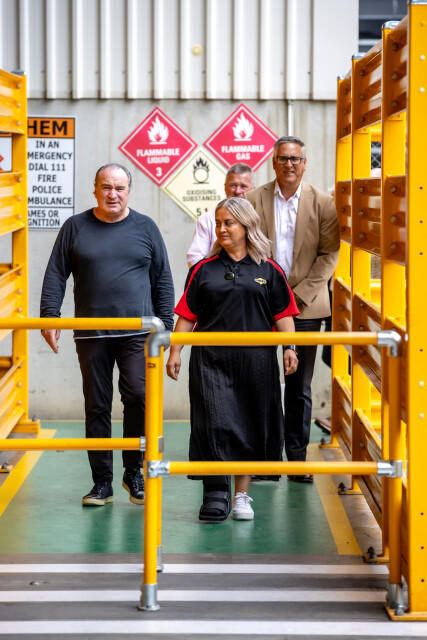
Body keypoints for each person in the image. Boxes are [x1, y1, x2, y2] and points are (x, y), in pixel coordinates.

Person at [40, 163, 174, 506]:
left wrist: (166, 328)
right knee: (97, 405)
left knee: (139, 397)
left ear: (129, 191)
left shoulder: (146, 227)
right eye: (106, 187)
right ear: (95, 190)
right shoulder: (75, 227)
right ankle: (102, 482)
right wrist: (49, 317)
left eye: (119, 188)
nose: (112, 194)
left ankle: (133, 471)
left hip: (137, 333)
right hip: (92, 333)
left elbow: (162, 279)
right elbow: (56, 273)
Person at [167, 197, 299, 522]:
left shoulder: (269, 269)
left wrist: (290, 347)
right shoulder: (203, 269)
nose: (221, 229)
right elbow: (188, 313)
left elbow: (283, 314)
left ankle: (241, 495)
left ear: (246, 226)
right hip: (211, 360)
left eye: (229, 223)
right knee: (214, 422)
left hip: (257, 361)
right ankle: (215, 493)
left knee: (250, 424)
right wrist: (175, 350)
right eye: (218, 223)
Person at [246, 136, 340, 482]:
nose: (289, 164)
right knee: (261, 383)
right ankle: (265, 460)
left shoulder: (323, 202)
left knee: (299, 386)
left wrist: (298, 296)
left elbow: (329, 254)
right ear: (273, 162)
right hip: (260, 305)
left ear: (304, 163)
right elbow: (244, 247)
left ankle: (297, 461)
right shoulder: (253, 199)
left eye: (295, 159)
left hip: (306, 308)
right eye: (283, 158)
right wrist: (267, 295)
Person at [186, 163, 255, 267]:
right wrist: (216, 274)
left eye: (243, 186)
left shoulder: (260, 217)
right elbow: (195, 258)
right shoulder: (207, 219)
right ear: (225, 187)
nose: (237, 191)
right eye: (233, 185)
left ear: (253, 189)